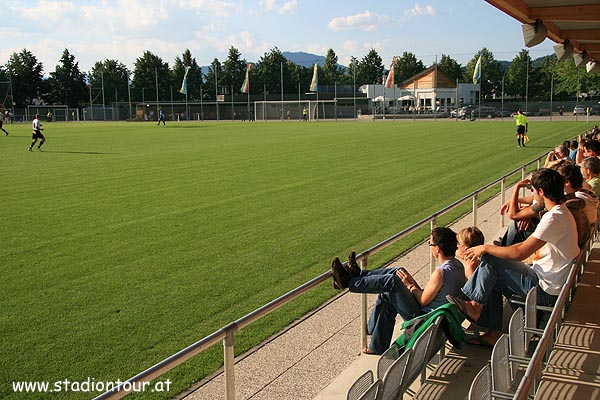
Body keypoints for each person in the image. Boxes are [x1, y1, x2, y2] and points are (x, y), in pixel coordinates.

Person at [447, 168, 579, 347]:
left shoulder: (554, 218)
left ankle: (475, 306)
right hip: (549, 282)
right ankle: (491, 329)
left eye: (533, 191)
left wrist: (486, 248)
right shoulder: (559, 213)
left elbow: (520, 253)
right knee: (490, 275)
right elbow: (519, 248)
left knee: (490, 258)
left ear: (541, 192)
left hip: (546, 291)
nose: (532, 196)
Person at [331, 227, 465, 355]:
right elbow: (435, 295)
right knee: (396, 276)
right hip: (437, 316)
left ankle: (348, 282)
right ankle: (357, 274)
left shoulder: (440, 273)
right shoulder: (457, 265)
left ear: (438, 249)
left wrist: (410, 286)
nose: (429, 246)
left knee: (392, 282)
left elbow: (423, 301)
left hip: (424, 320)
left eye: (430, 244)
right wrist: (410, 284)